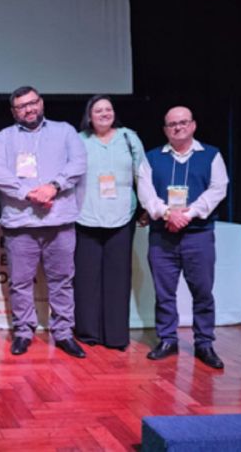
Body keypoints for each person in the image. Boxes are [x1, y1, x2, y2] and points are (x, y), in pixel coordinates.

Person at [0, 85, 87, 358]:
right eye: (21, 106)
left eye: (32, 103)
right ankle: (23, 331)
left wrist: (53, 187)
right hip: (21, 224)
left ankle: (64, 333)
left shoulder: (65, 131)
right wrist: (29, 193)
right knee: (20, 282)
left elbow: (78, 163)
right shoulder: (3, 138)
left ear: (41, 103)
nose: (28, 109)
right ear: (13, 112)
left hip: (60, 222)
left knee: (62, 281)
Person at [137, 106, 228, 369]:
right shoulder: (151, 158)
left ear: (193, 125)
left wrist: (188, 214)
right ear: (165, 129)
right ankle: (167, 339)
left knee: (202, 291)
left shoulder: (211, 155)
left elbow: (217, 189)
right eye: (172, 124)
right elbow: (146, 194)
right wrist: (168, 214)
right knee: (164, 293)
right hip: (162, 237)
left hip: (198, 236)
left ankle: (204, 343)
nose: (178, 127)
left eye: (183, 122)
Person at [74, 95, 145, 350]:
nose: (104, 114)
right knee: (86, 278)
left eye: (108, 109)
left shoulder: (128, 137)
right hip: (86, 216)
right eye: (98, 110)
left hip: (121, 216)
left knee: (118, 278)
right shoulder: (79, 140)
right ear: (89, 116)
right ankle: (87, 333)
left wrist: (146, 207)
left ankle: (115, 336)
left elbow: (142, 174)